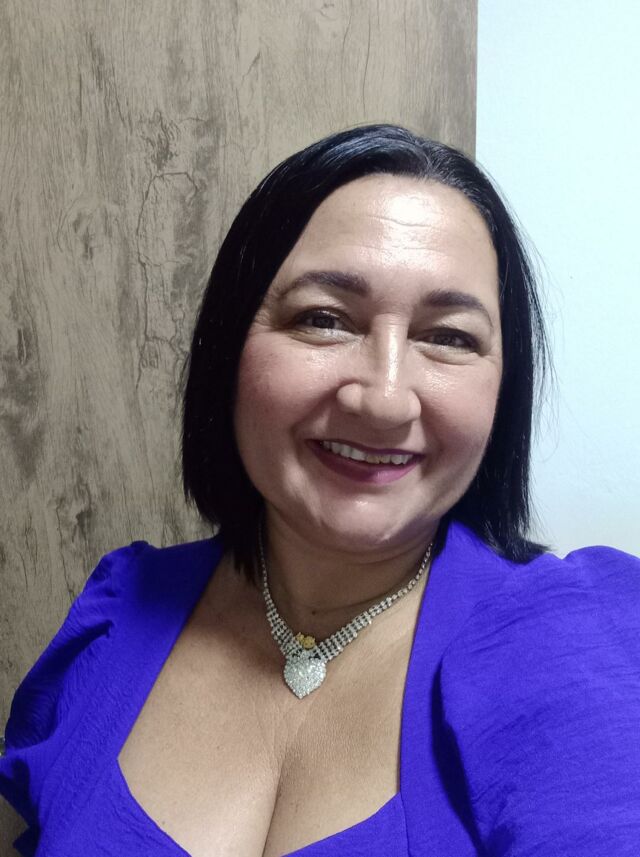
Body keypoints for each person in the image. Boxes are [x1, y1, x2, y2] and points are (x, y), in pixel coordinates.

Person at [1, 124, 639, 857]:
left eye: (449, 337)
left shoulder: (579, 643)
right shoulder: (116, 619)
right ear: (230, 347)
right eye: (324, 319)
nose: (385, 399)